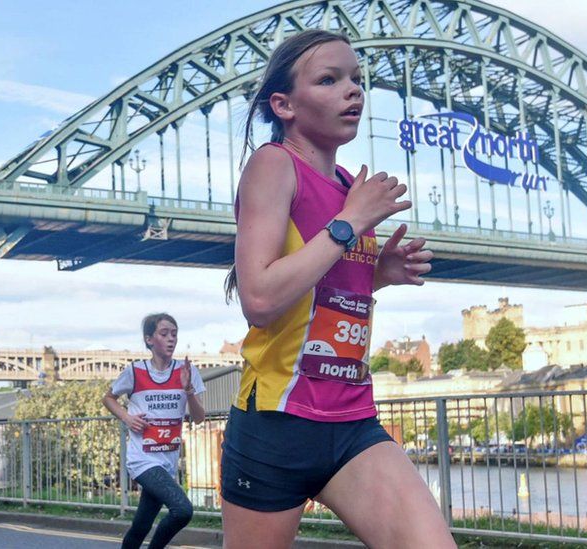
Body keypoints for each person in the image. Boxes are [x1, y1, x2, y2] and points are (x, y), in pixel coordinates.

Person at [219, 30, 455, 548]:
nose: (353, 90)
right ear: (283, 104)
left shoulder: (350, 185)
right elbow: (259, 299)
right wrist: (349, 225)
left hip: (351, 419)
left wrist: (376, 271)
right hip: (277, 422)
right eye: (329, 80)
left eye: (356, 79)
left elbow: (316, 289)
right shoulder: (274, 165)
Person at [102, 313, 206, 549]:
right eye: (164, 333)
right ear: (149, 339)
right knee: (182, 510)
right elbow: (108, 398)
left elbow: (199, 418)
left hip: (167, 462)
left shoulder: (186, 372)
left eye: (174, 334)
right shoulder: (135, 371)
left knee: (141, 525)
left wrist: (188, 390)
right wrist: (127, 417)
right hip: (143, 460)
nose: (171, 339)